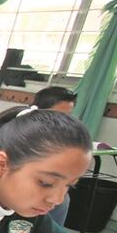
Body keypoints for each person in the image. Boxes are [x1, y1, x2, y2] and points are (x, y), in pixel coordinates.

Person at [34, 88, 79, 225]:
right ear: (40, 110)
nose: (63, 120)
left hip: (46, 179)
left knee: (62, 200)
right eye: (58, 114)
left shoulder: (63, 133)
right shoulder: (23, 128)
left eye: (68, 115)